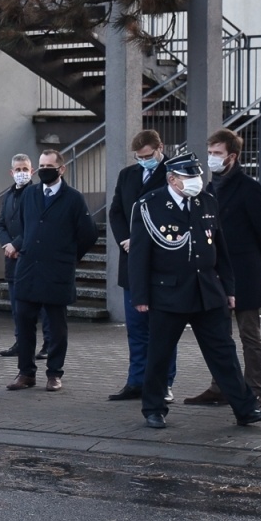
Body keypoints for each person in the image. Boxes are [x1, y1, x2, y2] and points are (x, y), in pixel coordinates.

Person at [130, 154, 261, 430]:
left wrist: (229, 288)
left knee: (223, 352)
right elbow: (139, 255)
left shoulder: (206, 201)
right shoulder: (150, 205)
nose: (195, 181)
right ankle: (154, 408)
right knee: (159, 354)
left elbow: (221, 249)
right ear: (172, 179)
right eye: (188, 177)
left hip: (207, 289)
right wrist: (140, 296)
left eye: (196, 175)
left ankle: (245, 408)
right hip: (168, 292)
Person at [185, 129, 261, 407]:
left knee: (249, 334)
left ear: (232, 156)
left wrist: (256, 265)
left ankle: (253, 390)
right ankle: (221, 387)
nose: (212, 158)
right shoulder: (208, 189)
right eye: (210, 153)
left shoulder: (249, 188)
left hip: (245, 272)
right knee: (218, 335)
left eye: (217, 154)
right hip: (217, 274)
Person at [5, 150, 98, 392]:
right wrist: (19, 244)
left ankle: (54, 373)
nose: (44, 169)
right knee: (24, 322)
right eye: (41, 165)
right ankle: (26, 373)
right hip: (28, 269)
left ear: (61, 169)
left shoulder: (73, 198)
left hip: (57, 272)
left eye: (49, 165)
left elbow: (88, 233)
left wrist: (69, 256)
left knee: (56, 327)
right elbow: (26, 227)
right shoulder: (30, 194)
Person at [106, 129, 174, 402]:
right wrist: (125, 239)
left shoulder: (175, 173)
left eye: (149, 156)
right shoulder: (128, 175)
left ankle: (163, 384)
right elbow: (116, 211)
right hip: (131, 263)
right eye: (139, 157)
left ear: (161, 148)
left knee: (163, 330)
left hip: (162, 264)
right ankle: (136, 381)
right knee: (136, 328)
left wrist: (146, 242)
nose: (144, 160)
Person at [0, 155, 52, 359]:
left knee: (43, 306)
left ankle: (48, 343)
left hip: (32, 256)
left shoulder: (38, 193)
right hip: (12, 258)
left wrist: (17, 244)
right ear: (11, 172)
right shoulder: (8, 195)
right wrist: (7, 244)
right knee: (16, 304)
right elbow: (1, 223)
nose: (21, 173)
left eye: (25, 169)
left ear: (32, 171)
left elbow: (34, 224)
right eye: (18, 169)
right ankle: (20, 341)